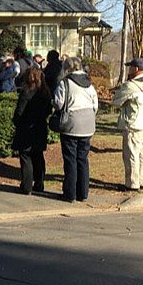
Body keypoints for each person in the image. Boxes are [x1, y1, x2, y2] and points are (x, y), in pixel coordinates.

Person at [54, 57, 98, 203]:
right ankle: (83, 193)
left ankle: (70, 194)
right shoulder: (89, 84)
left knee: (70, 159)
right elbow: (95, 105)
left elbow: (59, 103)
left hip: (71, 124)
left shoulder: (65, 83)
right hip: (88, 125)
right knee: (83, 159)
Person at [12, 66, 51, 194]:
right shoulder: (45, 93)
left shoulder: (26, 92)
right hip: (40, 126)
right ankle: (39, 183)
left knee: (26, 156)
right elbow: (49, 110)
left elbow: (19, 112)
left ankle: (27, 185)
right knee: (38, 155)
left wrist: (17, 122)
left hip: (26, 128)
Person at [112, 58, 143, 192]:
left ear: (136, 69)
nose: (129, 69)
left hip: (133, 124)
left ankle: (132, 184)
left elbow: (116, 101)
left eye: (131, 67)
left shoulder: (131, 85)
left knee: (131, 155)